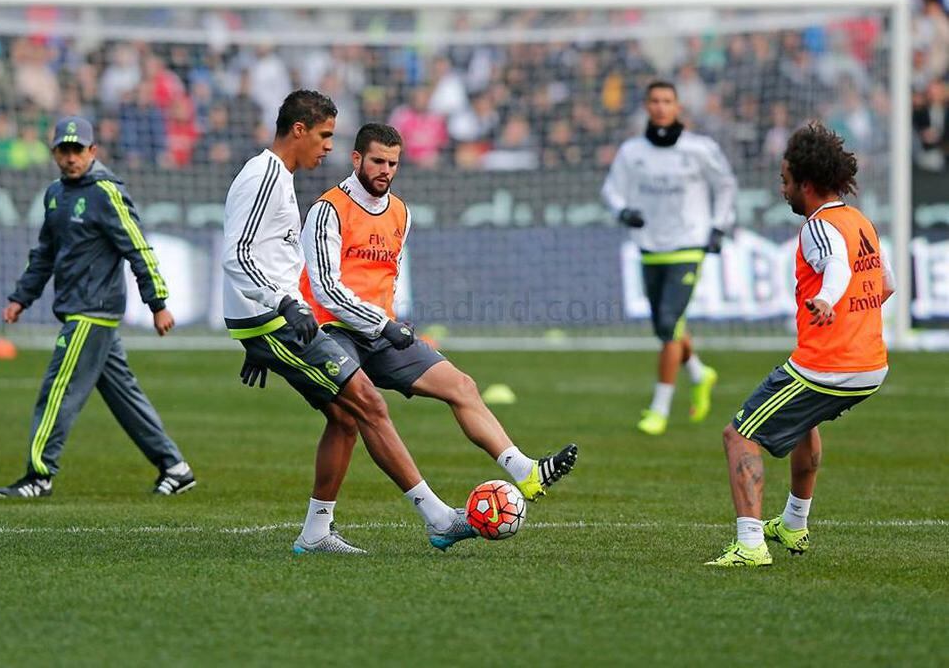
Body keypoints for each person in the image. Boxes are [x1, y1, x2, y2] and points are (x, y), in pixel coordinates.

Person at [222, 91, 475, 555]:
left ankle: (317, 533)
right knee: (369, 404)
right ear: (298, 130)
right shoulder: (264, 176)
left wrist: (256, 326)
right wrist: (279, 308)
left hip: (268, 321)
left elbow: (265, 258)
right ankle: (439, 519)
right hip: (275, 320)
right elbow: (237, 255)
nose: (328, 147)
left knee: (344, 418)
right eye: (324, 136)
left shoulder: (276, 176)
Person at [297, 122, 578, 502]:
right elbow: (326, 290)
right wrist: (383, 323)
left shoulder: (400, 212)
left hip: (380, 333)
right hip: (332, 331)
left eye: (393, 163)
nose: (386, 171)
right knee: (346, 418)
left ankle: (526, 471)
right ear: (357, 158)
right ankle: (322, 526)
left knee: (461, 386)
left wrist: (387, 321)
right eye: (378, 161)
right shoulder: (328, 210)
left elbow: (387, 277)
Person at [706, 123, 895, 567]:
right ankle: (793, 523)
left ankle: (750, 545)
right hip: (870, 364)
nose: (782, 188)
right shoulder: (859, 222)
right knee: (802, 424)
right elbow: (886, 283)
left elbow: (835, 269)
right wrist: (851, 315)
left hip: (830, 365)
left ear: (806, 185)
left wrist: (829, 300)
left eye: (785, 180)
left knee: (740, 435)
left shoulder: (819, 226)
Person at [0, 116, 194, 498]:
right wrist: (22, 297)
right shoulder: (54, 194)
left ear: (93, 151)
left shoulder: (106, 192)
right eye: (63, 150)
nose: (70, 158)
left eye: (77, 150)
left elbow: (138, 247)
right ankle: (175, 466)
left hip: (92, 311)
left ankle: (39, 475)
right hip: (77, 308)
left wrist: (158, 303)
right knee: (125, 398)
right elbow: (45, 254)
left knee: (57, 390)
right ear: (53, 153)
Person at [602, 80, 737, 436]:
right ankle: (700, 373)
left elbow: (725, 184)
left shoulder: (699, 149)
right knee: (667, 325)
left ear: (678, 107)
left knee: (668, 323)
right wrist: (623, 212)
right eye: (655, 101)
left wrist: (720, 226)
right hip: (650, 247)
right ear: (647, 106)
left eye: (668, 101)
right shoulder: (632, 152)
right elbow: (611, 190)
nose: (661, 107)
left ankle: (659, 408)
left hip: (689, 244)